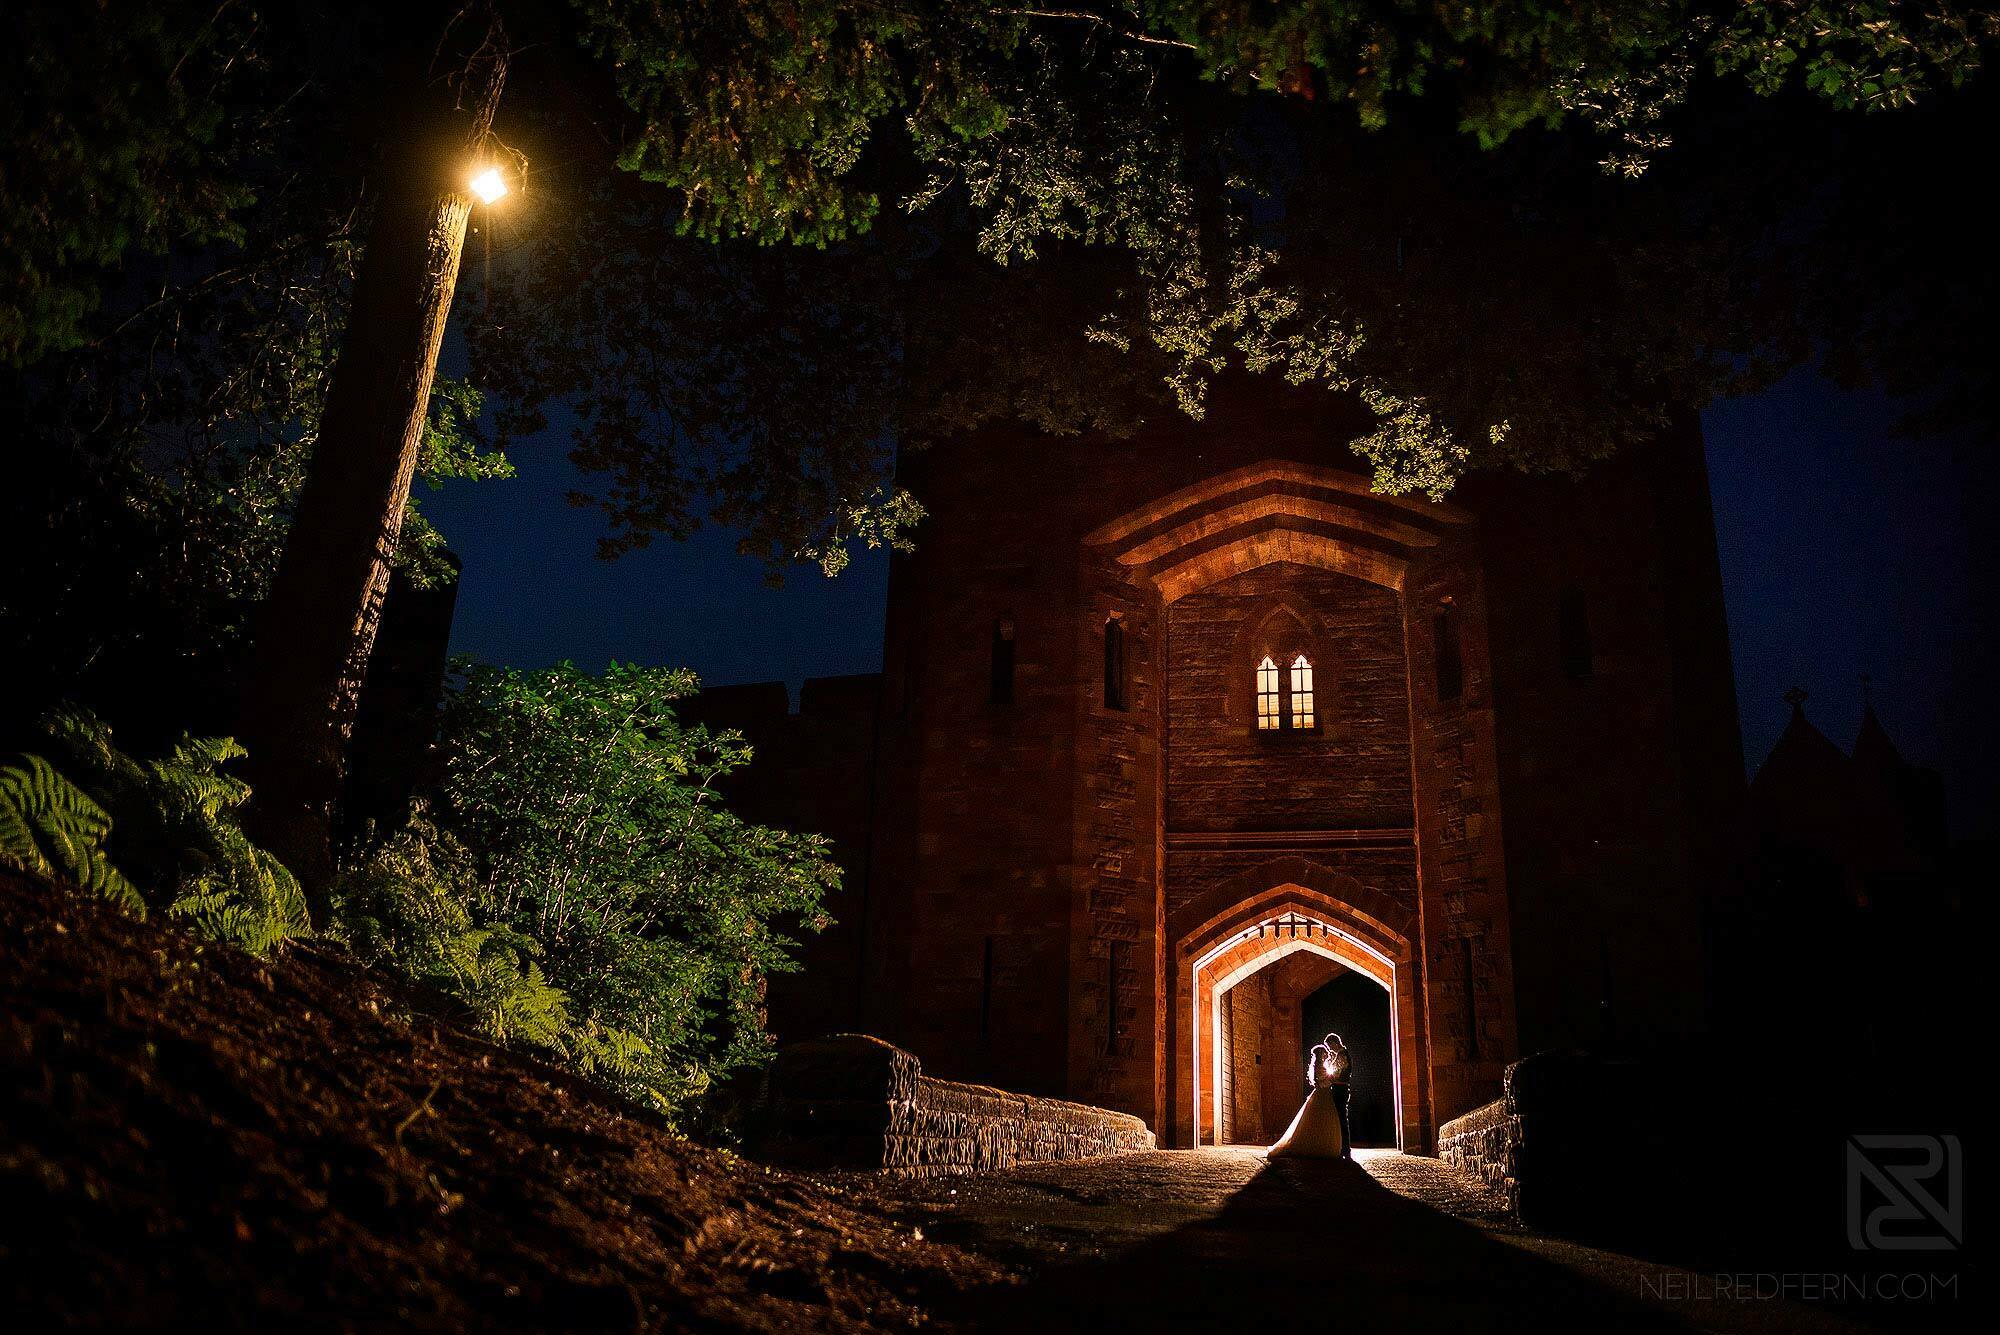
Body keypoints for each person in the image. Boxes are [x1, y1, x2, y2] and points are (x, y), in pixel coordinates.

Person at [1264, 1036, 1347, 1160]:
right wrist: (1332, 1080)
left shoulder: (1321, 1065)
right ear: (1320, 1055)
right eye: (1325, 1052)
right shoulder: (1320, 1066)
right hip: (1323, 1094)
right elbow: (1322, 1081)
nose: (1327, 1054)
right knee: (1320, 1121)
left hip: (1323, 1094)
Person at [1323, 1032, 1354, 1161]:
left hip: (1340, 1089)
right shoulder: (1341, 1055)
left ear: (1335, 1043)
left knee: (1341, 1119)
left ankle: (1345, 1149)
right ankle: (1343, 1148)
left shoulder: (1342, 1055)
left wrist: (1325, 1079)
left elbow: (1336, 1074)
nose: (1330, 1050)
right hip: (1341, 1088)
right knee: (1341, 1119)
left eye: (1330, 1046)